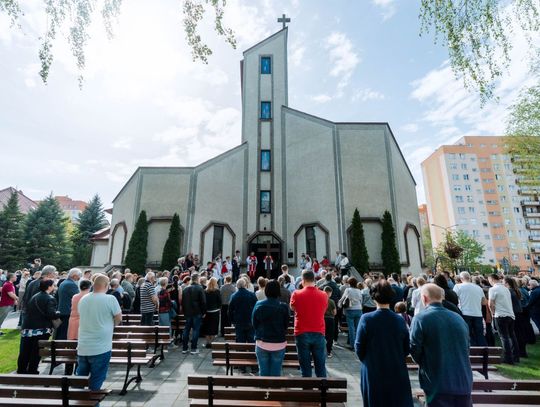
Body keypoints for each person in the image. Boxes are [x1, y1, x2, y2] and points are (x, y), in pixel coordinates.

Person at [410, 283, 472, 407]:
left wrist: (425, 364)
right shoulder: (458, 318)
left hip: (436, 381)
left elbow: (415, 350)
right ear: (442, 298)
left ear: (424, 298)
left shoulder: (420, 319)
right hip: (463, 380)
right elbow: (467, 347)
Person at [355, 280, 413, 407]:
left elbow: (359, 347)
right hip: (396, 368)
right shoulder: (399, 320)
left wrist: (368, 359)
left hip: (372, 368)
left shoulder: (366, 319)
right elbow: (406, 347)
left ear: (373, 297)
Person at [76, 274, 122, 391]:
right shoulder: (110, 299)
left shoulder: (83, 299)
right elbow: (118, 318)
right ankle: (92, 399)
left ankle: (77, 398)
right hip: (101, 346)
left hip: (83, 345)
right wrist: (111, 325)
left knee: (80, 378)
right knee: (97, 379)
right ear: (106, 285)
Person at [290, 270, 328, 377]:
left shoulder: (296, 294)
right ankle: (322, 387)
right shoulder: (324, 294)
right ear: (314, 280)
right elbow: (323, 310)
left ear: (303, 280)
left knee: (305, 367)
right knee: (320, 366)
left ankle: (307, 386)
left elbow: (292, 308)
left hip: (301, 331)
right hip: (319, 330)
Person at [17, 279, 59, 374]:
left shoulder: (35, 296)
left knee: (25, 350)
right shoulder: (50, 298)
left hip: (28, 327)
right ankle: (32, 369)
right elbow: (51, 314)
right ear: (49, 287)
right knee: (36, 351)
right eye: (53, 285)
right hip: (41, 328)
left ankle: (21, 369)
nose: (54, 287)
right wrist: (58, 313)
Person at [252, 280, 290, 376]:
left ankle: (264, 386)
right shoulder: (284, 307)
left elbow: (254, 323)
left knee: (263, 372)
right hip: (278, 343)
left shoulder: (259, 304)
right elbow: (286, 325)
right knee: (276, 373)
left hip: (262, 342)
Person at [488, 273, 519, 364]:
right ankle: (515, 356)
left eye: (489, 281)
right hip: (510, 314)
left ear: (492, 279)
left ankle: (508, 358)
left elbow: (490, 303)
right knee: (512, 336)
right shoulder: (506, 289)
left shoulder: (493, 289)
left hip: (500, 315)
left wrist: (493, 313)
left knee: (504, 337)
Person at [453, 271, 487, 346]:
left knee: (469, 336)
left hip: (465, 313)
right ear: (469, 278)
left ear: (461, 278)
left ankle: (473, 352)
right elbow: (484, 302)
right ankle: (483, 352)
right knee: (480, 336)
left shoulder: (457, 286)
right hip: (478, 314)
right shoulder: (478, 288)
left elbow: (454, 299)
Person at [181, 273, 206, 354]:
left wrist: (184, 312)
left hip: (188, 312)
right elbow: (203, 302)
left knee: (186, 329)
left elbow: (183, 302)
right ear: (197, 279)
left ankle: (184, 348)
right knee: (195, 330)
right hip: (197, 312)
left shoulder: (185, 289)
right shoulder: (200, 288)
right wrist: (204, 312)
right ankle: (193, 348)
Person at [229, 278, 258, 342]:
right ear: (245, 285)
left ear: (237, 286)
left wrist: (232, 321)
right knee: (251, 342)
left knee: (240, 342)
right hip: (250, 321)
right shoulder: (252, 295)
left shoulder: (233, 296)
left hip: (238, 322)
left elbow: (230, 311)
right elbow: (256, 308)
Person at [338, 277, 363, 349]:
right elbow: (361, 300)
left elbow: (343, 298)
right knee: (357, 328)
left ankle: (353, 345)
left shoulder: (348, 290)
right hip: (359, 309)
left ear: (349, 283)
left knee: (351, 328)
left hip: (350, 310)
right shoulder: (359, 290)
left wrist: (339, 305)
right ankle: (357, 343)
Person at [202, 277, 221, 348]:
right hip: (215, 311)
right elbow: (219, 301)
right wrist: (219, 308)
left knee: (207, 327)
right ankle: (212, 342)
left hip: (207, 311)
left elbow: (203, 302)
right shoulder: (217, 291)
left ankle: (208, 342)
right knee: (214, 327)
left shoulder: (205, 291)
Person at [323, 286, 336, 357]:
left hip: (322, 319)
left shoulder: (320, 300)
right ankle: (328, 351)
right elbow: (335, 312)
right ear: (329, 293)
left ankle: (322, 350)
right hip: (330, 319)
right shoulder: (331, 301)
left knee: (322, 335)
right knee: (330, 336)